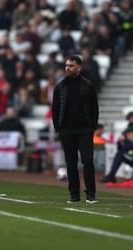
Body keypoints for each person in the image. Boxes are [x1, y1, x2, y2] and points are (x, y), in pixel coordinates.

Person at [52, 55, 99, 204]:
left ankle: (90, 194)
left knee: (87, 161)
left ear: (79, 67)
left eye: (71, 65)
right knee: (71, 163)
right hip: (67, 131)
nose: (67, 68)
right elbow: (55, 109)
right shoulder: (60, 87)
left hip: (84, 130)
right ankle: (74, 195)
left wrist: (92, 127)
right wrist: (58, 128)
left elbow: (94, 108)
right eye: (66, 65)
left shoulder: (87, 85)